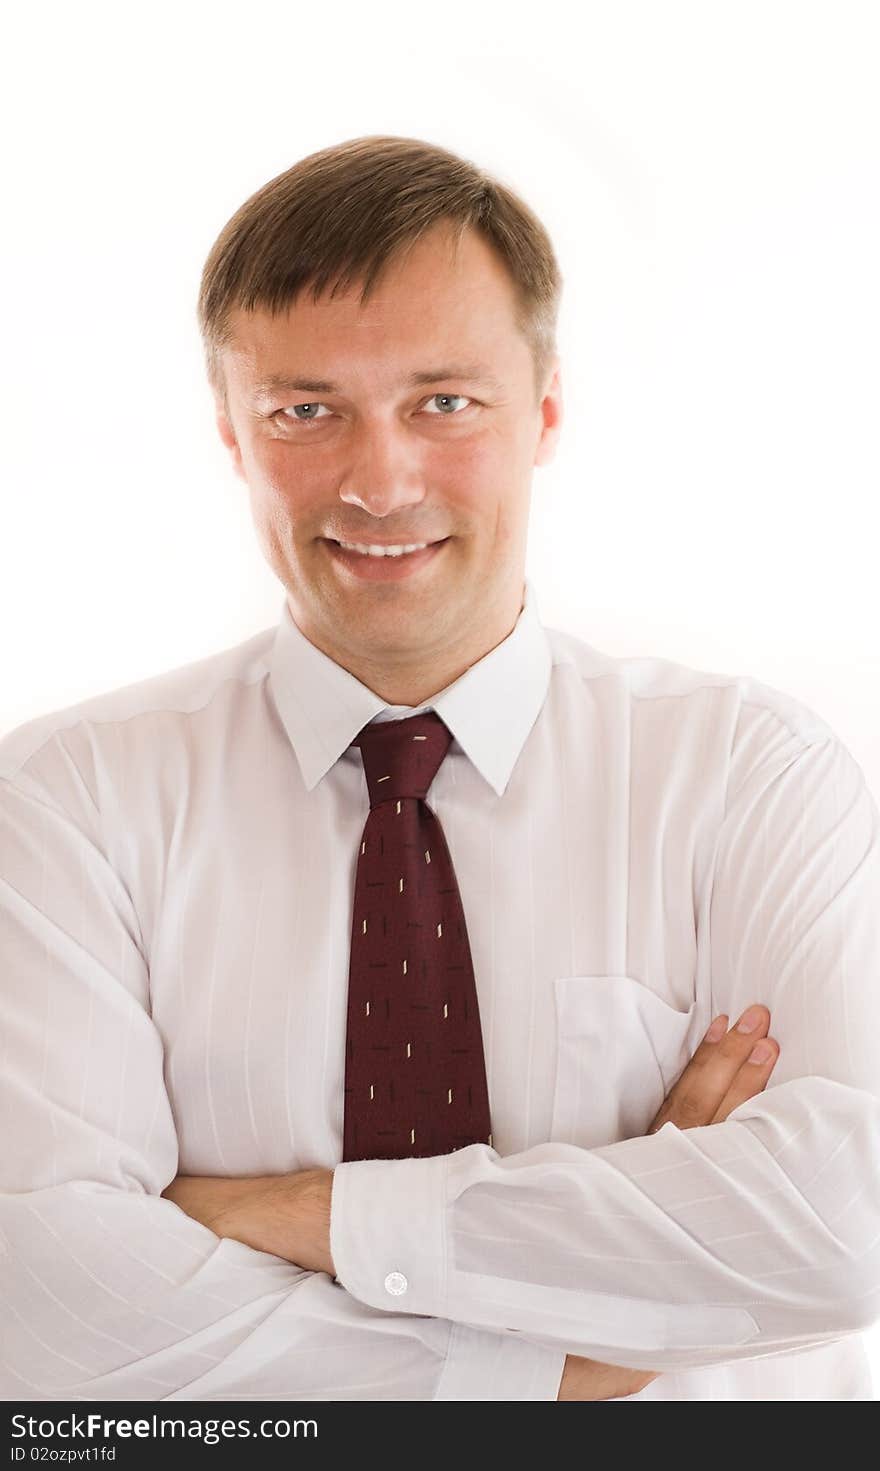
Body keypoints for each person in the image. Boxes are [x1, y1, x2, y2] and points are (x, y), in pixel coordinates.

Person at [1, 134, 878, 1403]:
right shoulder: (64, 808)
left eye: (443, 402)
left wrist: (304, 1214)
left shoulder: (749, 775)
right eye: (307, 410)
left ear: (547, 413)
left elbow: (846, 1222)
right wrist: (589, 1349)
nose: (379, 480)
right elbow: (46, 1306)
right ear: (233, 436)